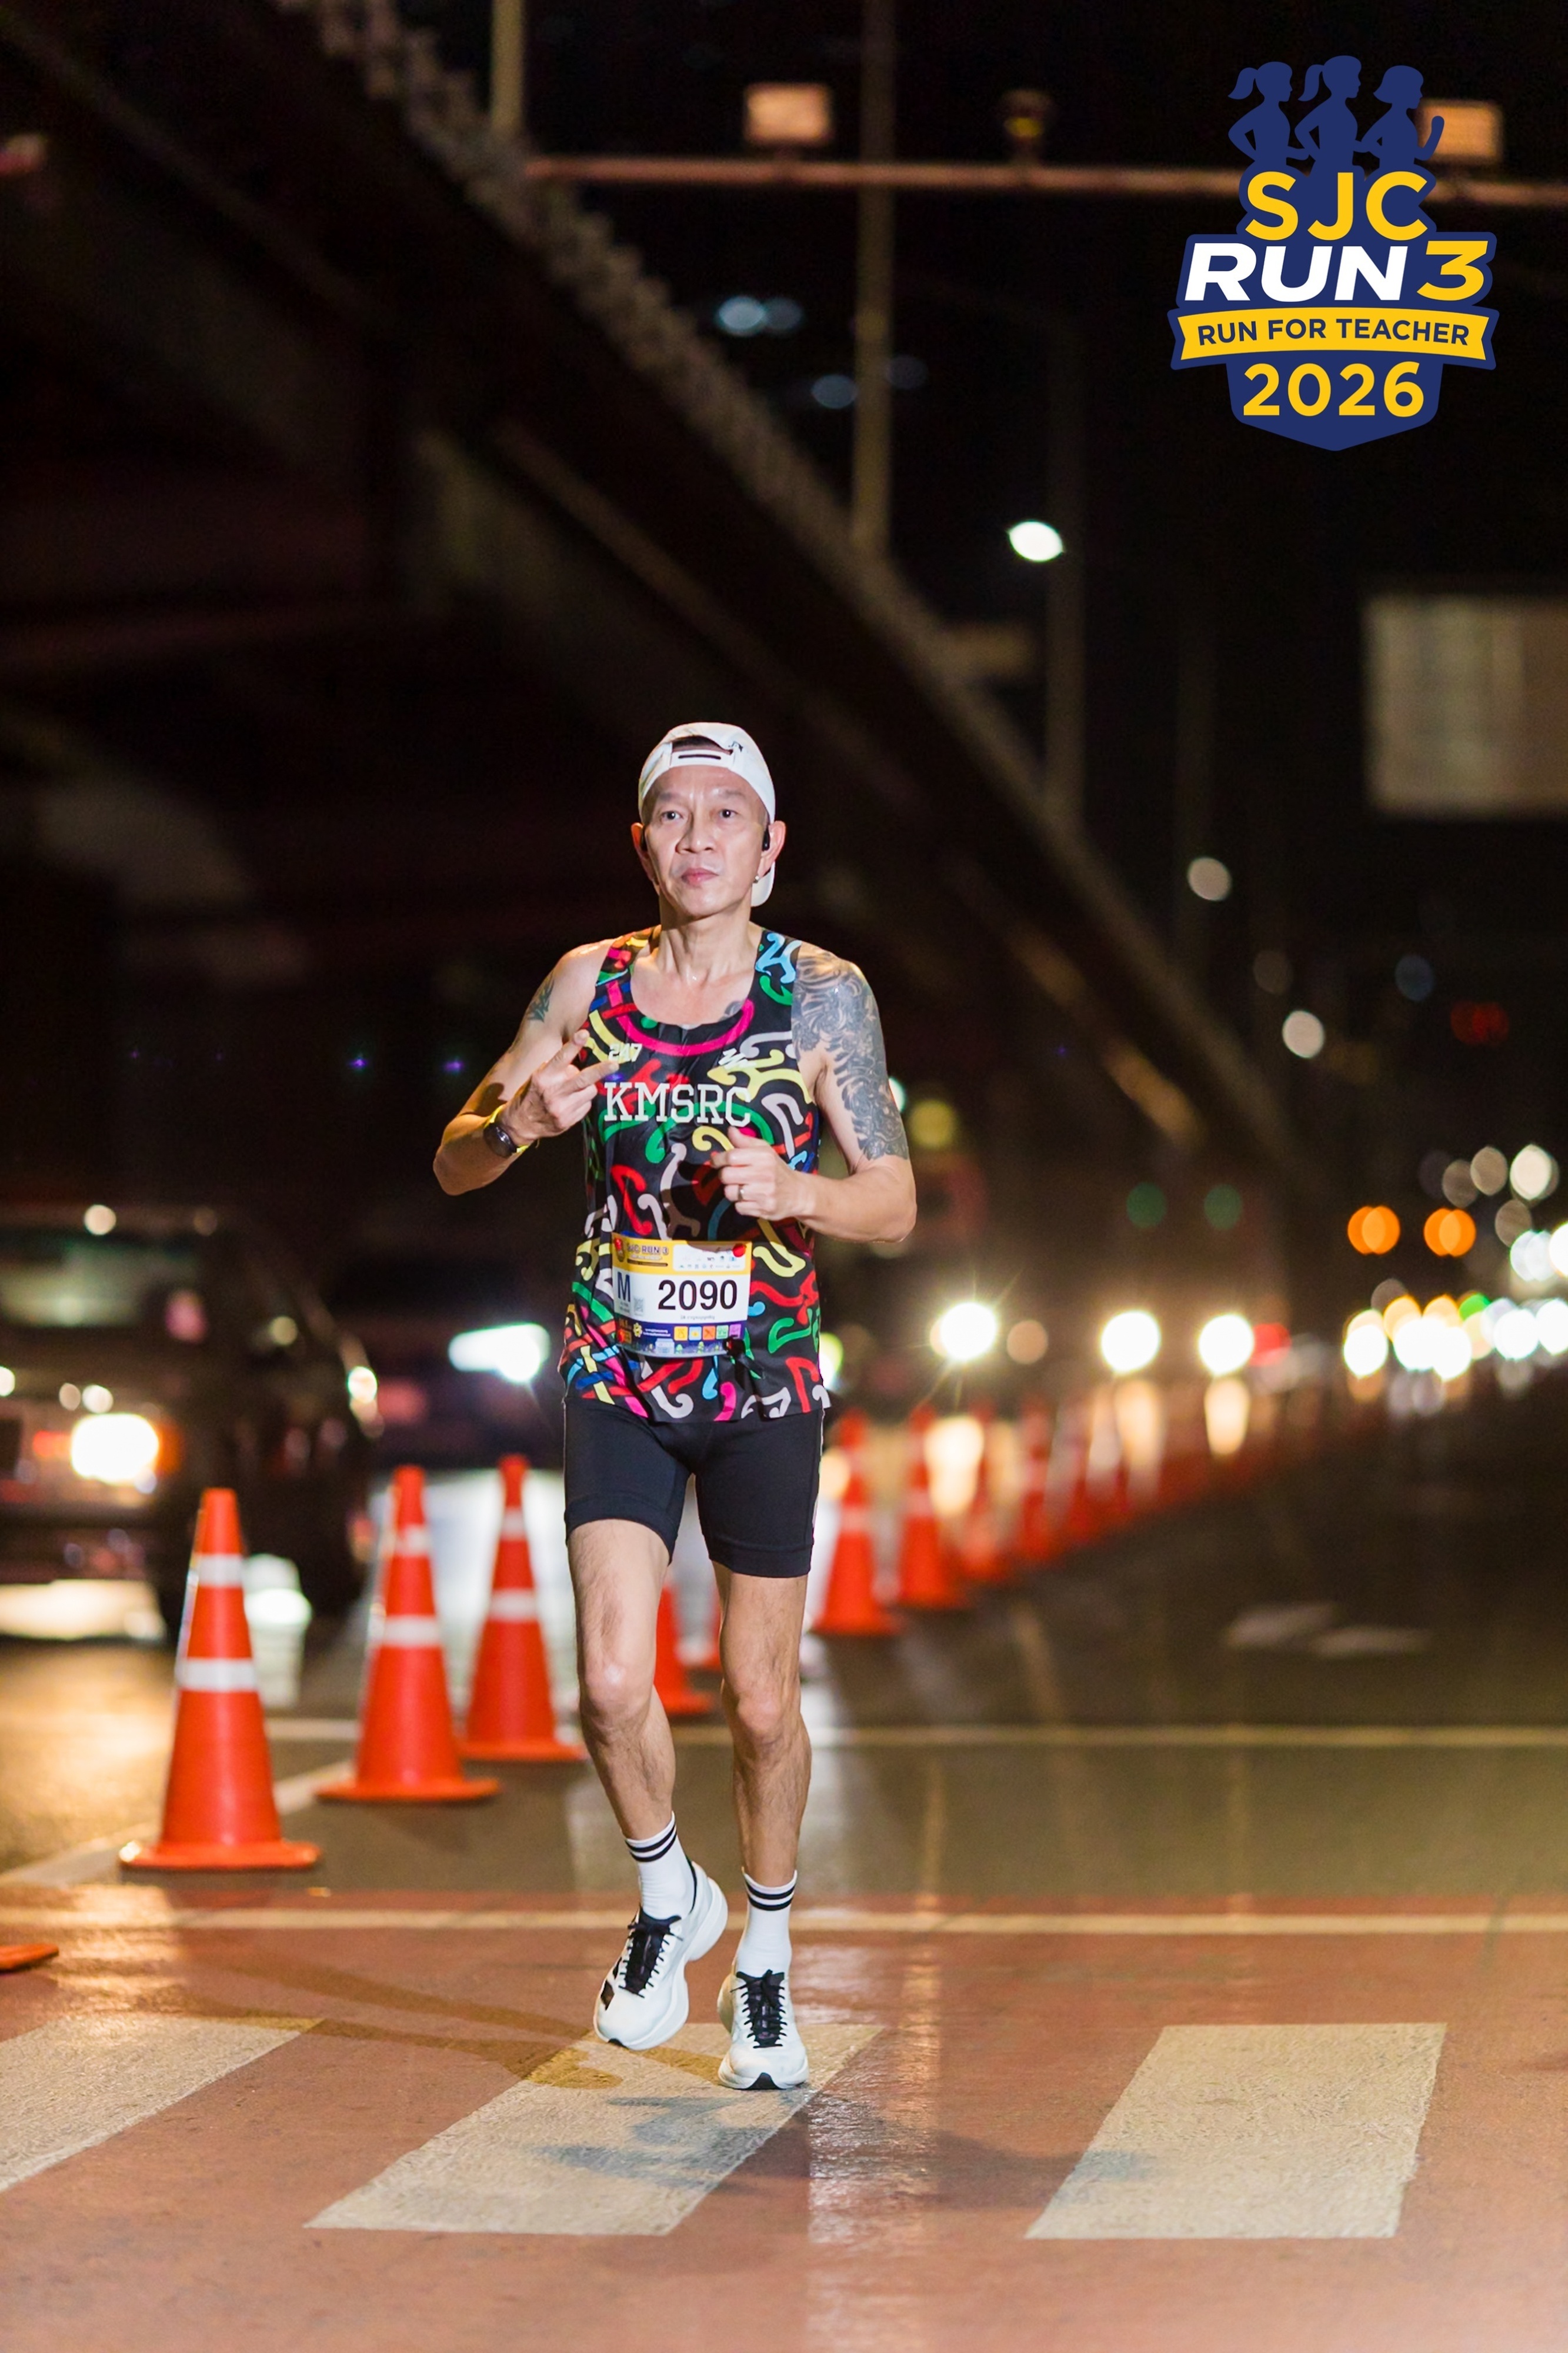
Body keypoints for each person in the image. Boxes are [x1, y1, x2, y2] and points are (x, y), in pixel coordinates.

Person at [435, 722, 915, 2089]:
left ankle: (763, 1957)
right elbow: (457, 1157)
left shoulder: (821, 993)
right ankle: (668, 1897)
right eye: (673, 815)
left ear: (770, 847)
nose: (698, 837)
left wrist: (801, 1189)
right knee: (605, 1680)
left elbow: (894, 1200)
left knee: (758, 1702)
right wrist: (522, 1124)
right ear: (641, 843)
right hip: (617, 1369)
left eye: (726, 815)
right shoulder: (585, 981)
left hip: (762, 1378)